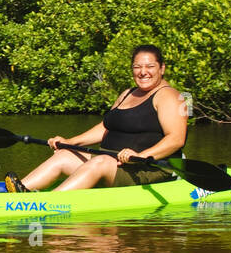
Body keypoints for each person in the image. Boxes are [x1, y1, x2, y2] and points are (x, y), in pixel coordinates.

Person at [16, 44, 187, 191]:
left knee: (101, 161)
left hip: (147, 169)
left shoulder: (170, 96)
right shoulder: (128, 93)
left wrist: (142, 155)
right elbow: (106, 127)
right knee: (65, 155)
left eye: (150, 66)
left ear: (161, 68)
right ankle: (15, 194)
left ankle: (46, 205)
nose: (143, 72)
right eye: (137, 67)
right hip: (112, 163)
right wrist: (71, 142)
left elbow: (176, 139)